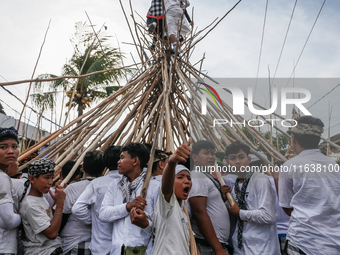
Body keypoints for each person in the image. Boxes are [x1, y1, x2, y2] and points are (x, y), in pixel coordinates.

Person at [278, 116, 340, 255]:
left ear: (293, 138)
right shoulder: (334, 165)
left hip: (303, 242)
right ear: (318, 140)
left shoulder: (290, 166)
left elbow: (286, 207)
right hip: (333, 243)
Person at [99, 143, 160, 255]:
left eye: (122, 158)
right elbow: (103, 214)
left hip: (143, 250)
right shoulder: (115, 185)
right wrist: (127, 206)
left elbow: (160, 225)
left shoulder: (154, 186)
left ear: (135, 161)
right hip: (117, 250)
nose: (118, 161)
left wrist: (146, 224)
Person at [225, 141, 280, 255]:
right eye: (233, 158)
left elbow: (269, 216)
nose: (238, 162)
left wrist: (240, 213)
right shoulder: (235, 186)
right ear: (227, 162)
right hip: (240, 248)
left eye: (241, 157)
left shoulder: (260, 180)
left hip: (262, 249)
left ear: (249, 160)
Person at [72, 146, 122, 255]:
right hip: (121, 248)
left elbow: (77, 208)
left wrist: (93, 218)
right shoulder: (130, 183)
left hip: (99, 247)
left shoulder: (98, 183)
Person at [152, 140, 197, 255]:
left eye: (189, 178)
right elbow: (166, 187)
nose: (186, 181)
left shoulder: (183, 211)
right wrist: (172, 163)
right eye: (180, 177)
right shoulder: (167, 205)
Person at [189, 140, 230, 255]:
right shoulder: (197, 175)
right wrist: (218, 248)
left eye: (212, 153)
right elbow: (198, 211)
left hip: (214, 246)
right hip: (208, 246)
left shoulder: (207, 176)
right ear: (195, 157)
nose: (211, 157)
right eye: (206, 153)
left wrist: (222, 198)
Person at [60, 151, 105, 255]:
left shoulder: (72, 188)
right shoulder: (107, 188)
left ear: (83, 166)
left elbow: (63, 217)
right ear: (103, 170)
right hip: (98, 243)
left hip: (73, 241)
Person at [20, 158, 66, 255]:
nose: (50, 182)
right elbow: (51, 233)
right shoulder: (31, 204)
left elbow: (50, 220)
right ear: (32, 179)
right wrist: (60, 204)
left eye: (52, 178)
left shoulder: (40, 198)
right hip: (42, 251)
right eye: (47, 177)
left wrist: (56, 202)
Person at [0, 127, 21, 255]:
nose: (10, 151)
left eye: (14, 146)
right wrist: (22, 214)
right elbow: (8, 220)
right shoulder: (2, 178)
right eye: (3, 147)